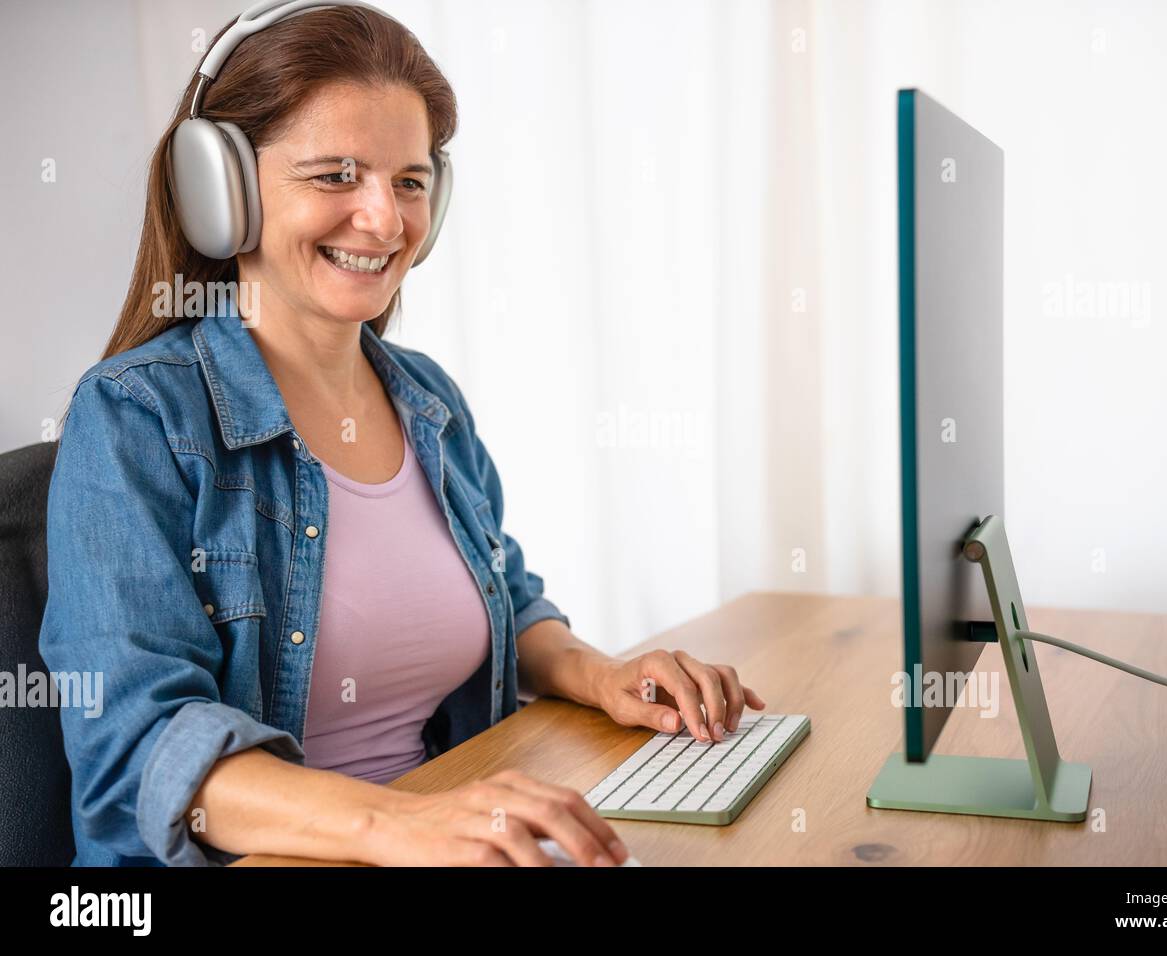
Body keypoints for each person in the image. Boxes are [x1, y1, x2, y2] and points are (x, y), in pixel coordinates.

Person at [39, 1, 764, 867]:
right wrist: (397, 826)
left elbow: (507, 594)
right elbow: (141, 745)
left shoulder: (427, 399)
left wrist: (599, 673)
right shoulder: (136, 417)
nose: (384, 220)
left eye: (409, 181)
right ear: (220, 189)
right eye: (336, 175)